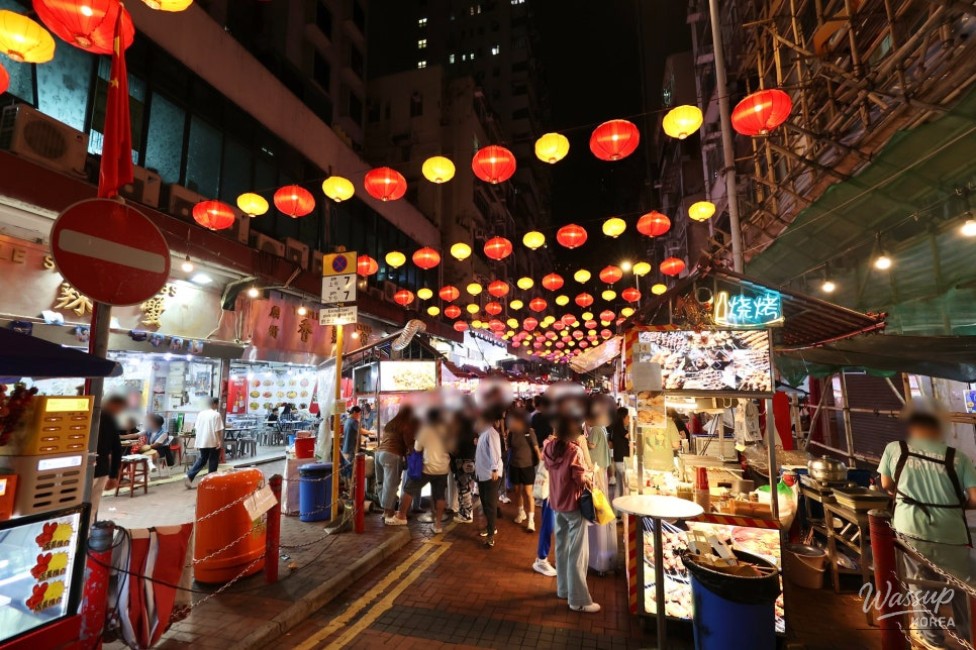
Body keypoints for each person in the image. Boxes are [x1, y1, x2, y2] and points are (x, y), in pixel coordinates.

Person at [878, 405, 976, 648]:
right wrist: (954, 505)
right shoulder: (958, 457)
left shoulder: (895, 449)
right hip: (951, 532)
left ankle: (932, 639)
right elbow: (975, 498)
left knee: (920, 584)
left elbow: (887, 485)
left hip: (911, 528)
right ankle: (968, 637)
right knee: (961, 586)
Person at [544, 416, 599, 613]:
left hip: (556, 503)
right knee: (578, 553)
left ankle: (563, 589)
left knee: (561, 548)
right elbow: (579, 478)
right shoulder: (573, 451)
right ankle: (578, 600)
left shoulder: (548, 447)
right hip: (573, 505)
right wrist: (590, 476)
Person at [395, 408, 450, 533]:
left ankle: (402, 516)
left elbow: (417, 448)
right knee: (440, 496)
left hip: (427, 467)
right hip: (443, 468)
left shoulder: (425, 430)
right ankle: (438, 525)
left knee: (409, 489)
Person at [376, 405, 418, 525]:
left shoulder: (391, 423)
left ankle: (385, 511)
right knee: (391, 485)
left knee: (382, 484)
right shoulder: (406, 425)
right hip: (392, 455)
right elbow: (410, 444)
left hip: (379, 454)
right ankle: (389, 515)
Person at [92, 395, 125, 522]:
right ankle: (85, 535)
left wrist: (113, 475)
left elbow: (116, 448)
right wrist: (113, 476)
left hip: (92, 469)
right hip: (101, 469)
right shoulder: (108, 418)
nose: (119, 411)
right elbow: (117, 448)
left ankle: (82, 536)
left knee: (85, 507)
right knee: (92, 508)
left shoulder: (102, 417)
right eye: (120, 408)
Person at [506, 408, 540, 531]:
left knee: (528, 492)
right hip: (514, 465)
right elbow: (509, 450)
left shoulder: (529, 432)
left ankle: (531, 521)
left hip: (527, 466)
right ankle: (521, 513)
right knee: (516, 491)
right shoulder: (511, 433)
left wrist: (542, 466)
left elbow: (536, 450)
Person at [475, 409, 503, 547]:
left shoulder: (491, 433)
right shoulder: (483, 434)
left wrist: (494, 468)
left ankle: (491, 535)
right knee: (486, 503)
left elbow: (495, 452)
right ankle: (490, 527)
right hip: (482, 474)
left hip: (490, 474)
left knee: (490, 505)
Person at [185, 398, 224, 488]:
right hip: (212, 440)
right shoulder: (216, 414)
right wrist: (219, 441)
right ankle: (211, 481)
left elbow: (197, 427)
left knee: (202, 459)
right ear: (214, 404)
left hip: (202, 440)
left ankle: (189, 475)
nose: (218, 406)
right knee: (213, 460)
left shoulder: (201, 414)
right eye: (218, 404)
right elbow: (217, 429)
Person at [451, 410, 478, 524]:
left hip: (462, 463)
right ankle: (465, 512)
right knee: (467, 487)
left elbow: (455, 450)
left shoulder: (459, 433)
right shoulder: (474, 432)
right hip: (472, 461)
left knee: (464, 488)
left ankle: (467, 514)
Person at [610, 407, 631, 496]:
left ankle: (617, 502)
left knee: (620, 483)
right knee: (623, 484)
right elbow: (630, 436)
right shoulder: (619, 427)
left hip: (618, 457)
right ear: (623, 417)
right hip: (621, 458)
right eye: (628, 417)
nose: (629, 419)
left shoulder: (616, 426)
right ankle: (620, 503)